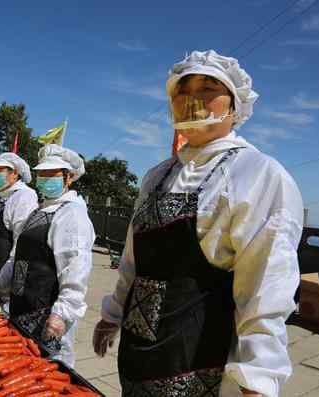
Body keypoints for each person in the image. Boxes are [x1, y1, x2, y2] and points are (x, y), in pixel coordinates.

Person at [92, 50, 303, 397]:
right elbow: (132, 260)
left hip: (194, 363)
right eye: (182, 90)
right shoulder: (156, 176)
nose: (192, 98)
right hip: (137, 356)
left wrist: (258, 377)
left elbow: (265, 285)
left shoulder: (256, 174)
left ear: (234, 105)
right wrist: (112, 314)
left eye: (208, 88)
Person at [0, 145, 94, 368]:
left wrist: (61, 314)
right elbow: (17, 254)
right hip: (23, 307)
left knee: (50, 373)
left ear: (69, 177)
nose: (45, 179)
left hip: (48, 314)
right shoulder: (40, 210)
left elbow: (76, 270)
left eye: (52, 174)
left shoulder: (71, 214)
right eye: (42, 174)